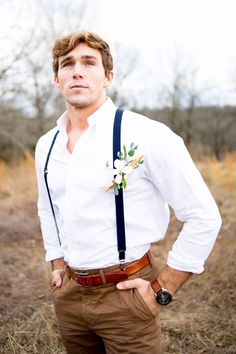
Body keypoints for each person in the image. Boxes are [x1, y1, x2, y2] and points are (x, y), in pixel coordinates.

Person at [35, 31, 222, 354]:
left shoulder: (147, 134)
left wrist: (163, 288)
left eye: (88, 62)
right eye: (67, 64)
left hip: (126, 293)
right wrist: (56, 261)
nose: (77, 70)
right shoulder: (46, 145)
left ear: (108, 76)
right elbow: (47, 208)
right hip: (69, 295)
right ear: (57, 78)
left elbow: (203, 216)